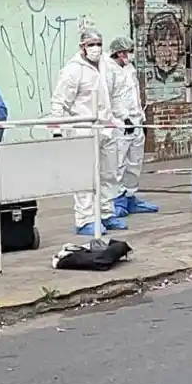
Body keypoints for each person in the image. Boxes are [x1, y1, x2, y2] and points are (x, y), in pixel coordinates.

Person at [50, 28, 128, 236]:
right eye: (90, 44)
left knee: (109, 174)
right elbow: (60, 101)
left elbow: (117, 92)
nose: (95, 48)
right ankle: (85, 219)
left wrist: (122, 118)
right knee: (85, 176)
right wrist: (58, 128)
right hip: (83, 130)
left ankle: (106, 213)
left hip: (107, 129)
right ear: (82, 47)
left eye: (98, 43)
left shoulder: (107, 66)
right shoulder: (73, 70)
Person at [108, 37, 159, 215]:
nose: (129, 55)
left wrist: (140, 117)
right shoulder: (108, 70)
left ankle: (131, 196)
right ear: (119, 52)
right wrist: (122, 118)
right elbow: (109, 99)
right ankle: (117, 199)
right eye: (127, 52)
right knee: (118, 163)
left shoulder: (129, 69)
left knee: (135, 162)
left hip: (136, 121)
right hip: (120, 125)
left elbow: (134, 95)